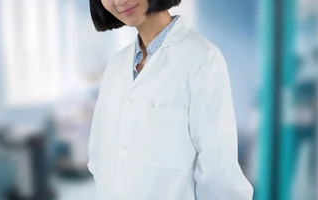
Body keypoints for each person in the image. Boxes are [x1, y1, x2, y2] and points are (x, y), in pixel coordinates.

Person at [86, 0, 254, 199]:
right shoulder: (115, 66)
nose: (119, 1)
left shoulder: (203, 60)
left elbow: (220, 178)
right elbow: (99, 160)